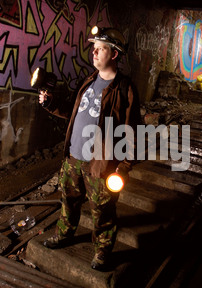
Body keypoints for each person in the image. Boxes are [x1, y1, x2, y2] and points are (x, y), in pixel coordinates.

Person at [38, 27, 140, 271]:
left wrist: (123, 167)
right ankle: (64, 234)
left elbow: (132, 131)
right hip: (74, 158)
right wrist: (51, 104)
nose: (94, 51)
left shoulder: (124, 89)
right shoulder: (88, 81)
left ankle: (103, 251)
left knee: (102, 210)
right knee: (68, 201)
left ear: (114, 54)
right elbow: (75, 114)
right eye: (94, 47)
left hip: (100, 164)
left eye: (101, 48)